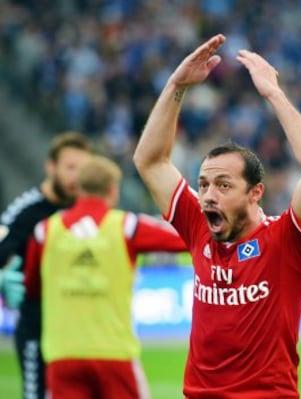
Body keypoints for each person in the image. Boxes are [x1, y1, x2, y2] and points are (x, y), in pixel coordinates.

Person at [133, 34, 301, 398]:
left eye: (223, 186)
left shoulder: (286, 241)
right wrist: (176, 86)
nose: (208, 195)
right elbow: (149, 161)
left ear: (256, 192)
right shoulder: (199, 226)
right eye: (203, 184)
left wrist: (273, 93)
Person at [24, 155, 187, 399]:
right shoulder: (126, 227)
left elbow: (33, 288)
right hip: (114, 354)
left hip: (63, 354)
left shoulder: (45, 231)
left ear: (77, 189)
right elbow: (188, 239)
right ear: (113, 190)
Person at [0, 131, 93, 399]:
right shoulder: (24, 212)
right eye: (71, 168)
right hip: (37, 329)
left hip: (79, 330)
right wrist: (4, 279)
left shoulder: (87, 209)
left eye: (84, 169)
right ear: (51, 168)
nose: (77, 176)